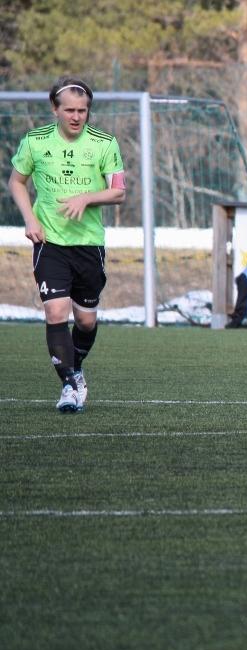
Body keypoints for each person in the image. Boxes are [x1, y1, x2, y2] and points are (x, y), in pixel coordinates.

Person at [8, 76, 126, 413]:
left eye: (82, 111)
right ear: (55, 109)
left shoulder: (105, 143)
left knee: (85, 322)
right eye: (70, 110)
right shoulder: (35, 141)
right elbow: (16, 182)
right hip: (50, 242)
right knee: (56, 311)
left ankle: (76, 368)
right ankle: (69, 387)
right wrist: (30, 219)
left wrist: (86, 197)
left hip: (88, 244)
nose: (76, 117)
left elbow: (119, 192)